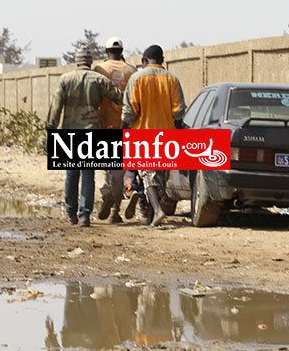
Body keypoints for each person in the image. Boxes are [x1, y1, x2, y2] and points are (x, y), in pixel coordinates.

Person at [46, 44, 123, 227]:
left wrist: (50, 130)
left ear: (76, 61)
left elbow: (55, 108)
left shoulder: (65, 79)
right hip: (91, 131)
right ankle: (85, 215)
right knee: (88, 174)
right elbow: (119, 98)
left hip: (69, 132)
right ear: (90, 62)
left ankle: (70, 212)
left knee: (71, 174)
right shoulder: (99, 79)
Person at [121, 44, 186, 227]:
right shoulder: (172, 79)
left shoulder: (136, 78)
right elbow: (179, 111)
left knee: (148, 174)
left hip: (144, 134)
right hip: (167, 135)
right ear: (162, 61)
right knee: (161, 178)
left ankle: (156, 210)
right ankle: (152, 217)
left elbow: (129, 111)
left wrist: (123, 129)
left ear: (144, 61)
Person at [93, 37, 136, 224]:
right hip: (125, 126)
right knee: (118, 172)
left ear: (106, 51)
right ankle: (116, 212)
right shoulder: (132, 71)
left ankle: (106, 192)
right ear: (122, 51)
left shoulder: (100, 70)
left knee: (99, 167)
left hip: (103, 124)